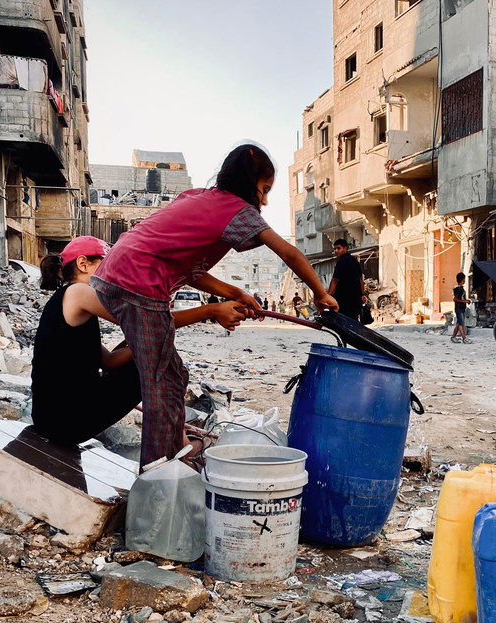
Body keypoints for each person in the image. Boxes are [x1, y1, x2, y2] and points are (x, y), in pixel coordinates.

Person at [90, 143, 338, 468]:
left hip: (117, 272)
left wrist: (233, 291)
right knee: (160, 382)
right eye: (263, 190)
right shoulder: (239, 211)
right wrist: (320, 293)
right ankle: (159, 471)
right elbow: (289, 252)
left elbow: (190, 271)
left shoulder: (195, 197)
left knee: (173, 374)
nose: (264, 201)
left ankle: (175, 447)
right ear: (250, 184)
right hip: (139, 281)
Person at [31, 236, 249, 456]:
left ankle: (179, 442)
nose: (114, 274)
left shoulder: (69, 303)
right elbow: (149, 321)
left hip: (50, 419)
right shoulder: (78, 293)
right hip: (65, 420)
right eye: (107, 266)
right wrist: (210, 311)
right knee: (157, 362)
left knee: (151, 351)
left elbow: (109, 361)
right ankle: (180, 448)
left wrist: (143, 343)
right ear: (83, 264)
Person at [328, 239, 365, 320]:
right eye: (335, 249)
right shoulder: (354, 261)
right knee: (353, 320)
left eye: (338, 248)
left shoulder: (341, 262)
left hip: (343, 298)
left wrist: (328, 295)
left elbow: (335, 280)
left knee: (342, 321)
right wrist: (362, 294)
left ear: (345, 248)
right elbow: (361, 279)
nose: (336, 251)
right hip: (355, 298)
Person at [451, 271, 471, 344]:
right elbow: (455, 299)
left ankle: (453, 337)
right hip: (459, 308)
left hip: (461, 308)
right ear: (462, 280)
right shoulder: (458, 289)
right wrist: (465, 301)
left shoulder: (461, 288)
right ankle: (464, 338)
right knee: (461, 324)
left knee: (458, 323)